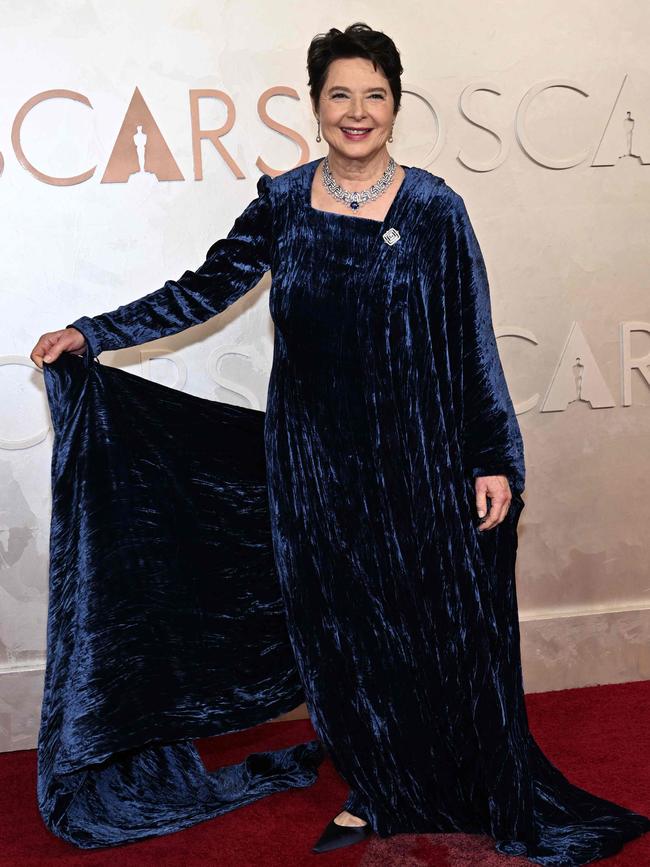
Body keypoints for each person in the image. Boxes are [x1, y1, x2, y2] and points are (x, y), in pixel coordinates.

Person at [31, 22, 650, 863]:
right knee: (342, 632)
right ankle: (377, 782)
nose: (357, 111)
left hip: (419, 460)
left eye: (375, 96)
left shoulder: (435, 207)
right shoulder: (283, 203)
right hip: (314, 466)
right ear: (316, 105)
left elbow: (472, 341)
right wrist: (93, 333)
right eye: (340, 95)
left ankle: (443, 773)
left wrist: (495, 455)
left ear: (396, 105)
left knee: (425, 626)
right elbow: (204, 288)